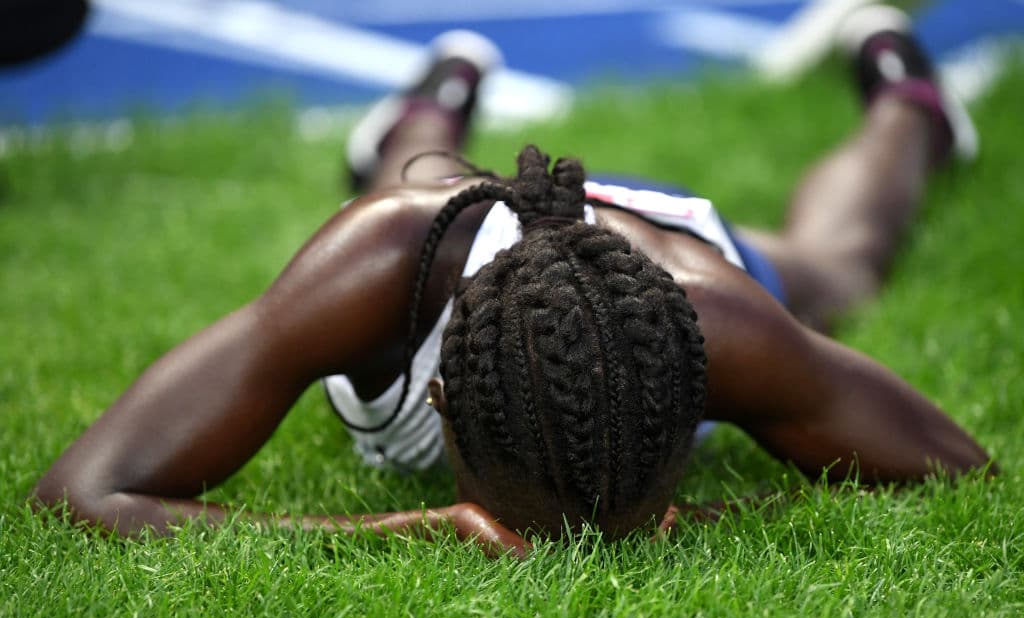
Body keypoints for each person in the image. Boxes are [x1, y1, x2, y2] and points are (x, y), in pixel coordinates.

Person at [33, 8, 994, 559]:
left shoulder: (714, 318)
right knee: (400, 186)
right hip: (440, 220)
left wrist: (727, 513)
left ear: (699, 398)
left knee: (840, 265)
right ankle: (431, 100)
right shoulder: (373, 277)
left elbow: (960, 467)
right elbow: (80, 491)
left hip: (650, 245)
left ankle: (911, 103)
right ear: (442, 402)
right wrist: (406, 530)